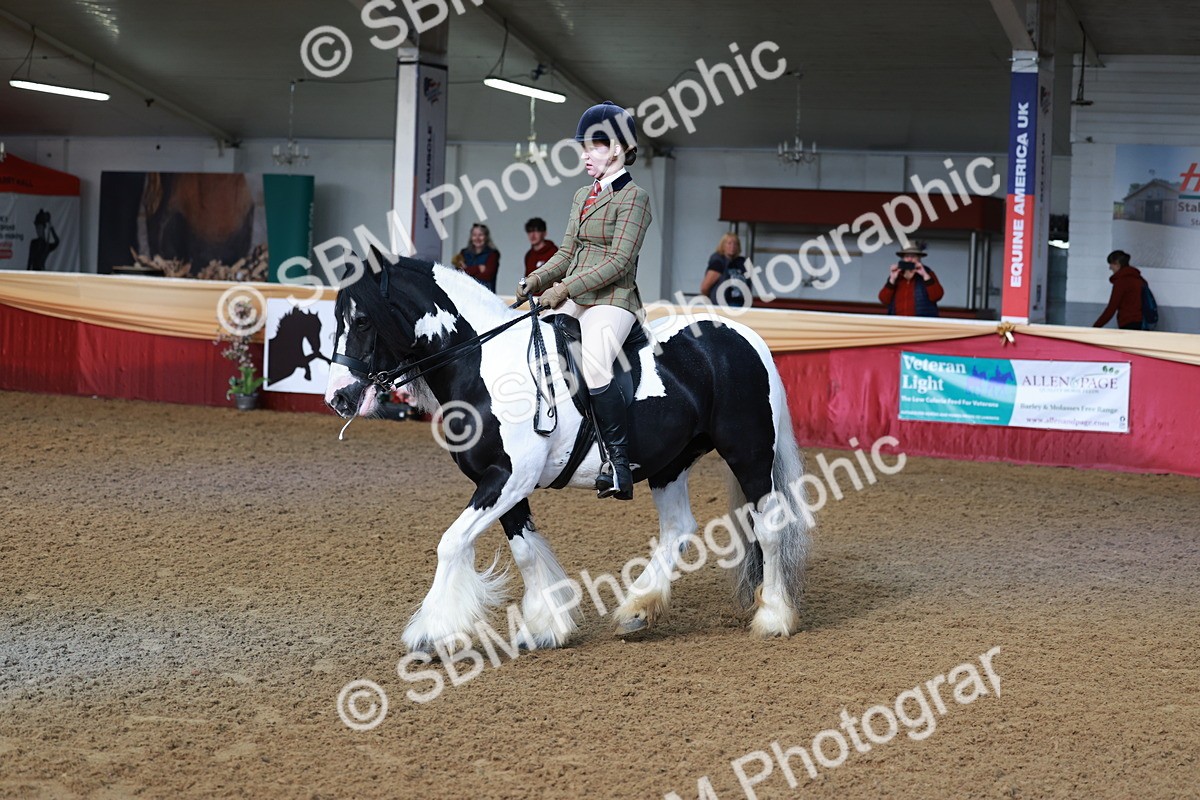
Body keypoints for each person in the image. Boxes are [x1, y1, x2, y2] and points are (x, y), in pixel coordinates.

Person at [516, 101, 651, 501]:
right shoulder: (582, 196)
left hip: (613, 298)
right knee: (534, 341)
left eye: (592, 146)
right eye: (584, 147)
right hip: (576, 292)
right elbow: (567, 252)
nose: (584, 155)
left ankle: (618, 463)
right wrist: (536, 280)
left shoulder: (635, 198)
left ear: (617, 148)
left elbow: (619, 261)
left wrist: (563, 290)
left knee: (594, 365)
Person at [879, 243, 943, 316]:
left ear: (919, 258)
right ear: (902, 259)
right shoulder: (897, 275)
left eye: (913, 256)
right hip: (898, 322)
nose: (909, 259)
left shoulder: (928, 273)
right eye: (906, 256)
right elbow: (884, 300)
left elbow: (937, 296)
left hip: (921, 322)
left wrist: (925, 276)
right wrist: (892, 279)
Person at [1093, 250, 1147, 330]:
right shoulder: (1140, 279)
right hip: (1142, 322)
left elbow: (1111, 308)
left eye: (1111, 264)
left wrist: (1095, 327)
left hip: (1128, 323)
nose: (1110, 268)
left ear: (1117, 264)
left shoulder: (1121, 282)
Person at [699, 232, 749, 306]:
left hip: (739, 303)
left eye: (735, 244)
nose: (732, 246)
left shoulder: (741, 262)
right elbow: (705, 287)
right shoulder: (718, 262)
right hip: (722, 305)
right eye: (729, 243)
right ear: (723, 245)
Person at [458, 223, 499, 292]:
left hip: (485, 294)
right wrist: (479, 268)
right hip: (465, 293)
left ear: (486, 237)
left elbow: (487, 276)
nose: (477, 238)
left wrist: (467, 270)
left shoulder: (493, 254)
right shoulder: (463, 253)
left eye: (480, 235)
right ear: (471, 237)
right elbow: (458, 274)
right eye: (474, 235)